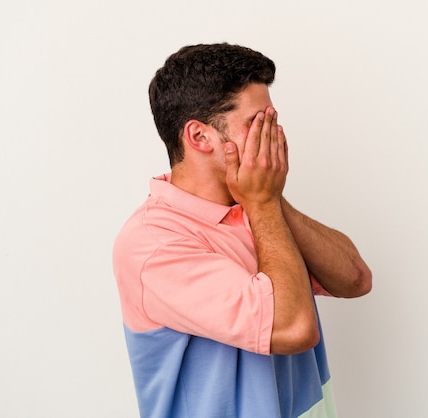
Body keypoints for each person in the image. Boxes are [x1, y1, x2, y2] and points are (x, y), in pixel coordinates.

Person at [113, 43, 372, 418]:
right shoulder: (153, 244)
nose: (272, 135)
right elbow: (294, 329)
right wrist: (263, 203)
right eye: (256, 123)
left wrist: (264, 199)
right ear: (199, 137)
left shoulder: (255, 210)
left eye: (272, 120)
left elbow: (356, 279)